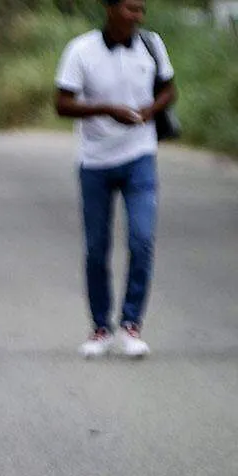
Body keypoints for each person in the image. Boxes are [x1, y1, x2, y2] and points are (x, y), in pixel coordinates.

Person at [54, 0, 176, 358]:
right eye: (130, 9)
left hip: (140, 157)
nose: (138, 16)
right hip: (95, 162)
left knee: (141, 240)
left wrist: (151, 110)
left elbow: (170, 88)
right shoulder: (81, 50)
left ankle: (131, 324)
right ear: (110, 9)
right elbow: (62, 103)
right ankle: (100, 328)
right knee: (96, 248)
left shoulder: (151, 44)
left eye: (141, 9)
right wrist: (107, 110)